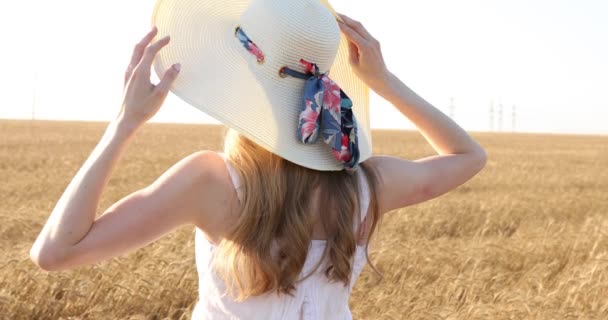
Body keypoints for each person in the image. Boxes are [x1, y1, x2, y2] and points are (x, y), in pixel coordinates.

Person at [29, 0, 487, 319]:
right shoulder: (366, 185)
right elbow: (467, 155)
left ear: (245, 73)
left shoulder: (211, 183)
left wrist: (124, 124)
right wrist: (382, 82)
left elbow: (55, 251)